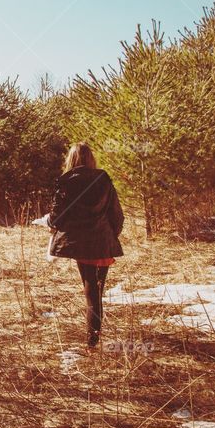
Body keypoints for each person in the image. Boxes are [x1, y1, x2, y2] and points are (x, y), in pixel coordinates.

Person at [48, 142, 124, 348]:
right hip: (103, 241)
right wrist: (110, 236)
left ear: (71, 159)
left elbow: (57, 217)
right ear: (91, 158)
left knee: (91, 291)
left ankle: (92, 342)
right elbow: (117, 214)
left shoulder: (65, 182)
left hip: (82, 245)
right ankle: (94, 337)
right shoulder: (104, 179)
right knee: (97, 290)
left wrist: (48, 223)